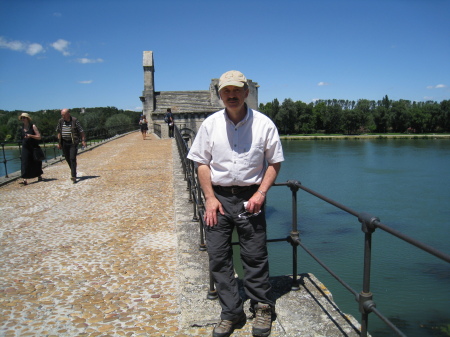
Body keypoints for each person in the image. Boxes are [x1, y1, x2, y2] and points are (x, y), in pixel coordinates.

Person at [187, 70, 284, 337]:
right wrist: (209, 199)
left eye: (236, 91)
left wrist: (261, 193)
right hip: (216, 198)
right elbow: (201, 163)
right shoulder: (210, 124)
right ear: (220, 95)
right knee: (218, 257)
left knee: (254, 254)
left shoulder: (264, 124)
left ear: (246, 93)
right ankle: (231, 312)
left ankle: (262, 307)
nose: (231, 96)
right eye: (225, 92)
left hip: (250, 198)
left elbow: (275, 162)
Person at [56, 109, 87, 183]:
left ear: (68, 114)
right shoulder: (60, 121)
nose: (62, 116)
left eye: (63, 114)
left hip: (73, 142)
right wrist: (59, 143)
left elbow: (81, 131)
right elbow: (59, 132)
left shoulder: (74, 121)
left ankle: (73, 175)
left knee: (72, 158)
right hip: (64, 142)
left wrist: (83, 141)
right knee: (67, 158)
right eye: (62, 115)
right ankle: (73, 169)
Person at [18, 113, 43, 185]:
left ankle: (39, 175)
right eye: (22, 118)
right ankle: (24, 179)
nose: (23, 119)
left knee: (36, 161)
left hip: (33, 146)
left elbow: (39, 137)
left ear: (27, 118)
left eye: (24, 118)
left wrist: (30, 135)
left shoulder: (33, 126)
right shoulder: (21, 127)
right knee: (24, 162)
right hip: (25, 147)